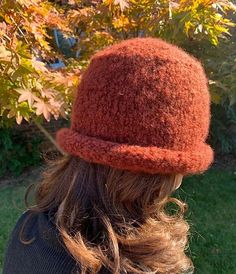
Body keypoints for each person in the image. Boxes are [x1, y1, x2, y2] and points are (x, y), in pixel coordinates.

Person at [3, 37, 213, 274]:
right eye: (180, 169)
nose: (180, 180)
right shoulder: (126, 267)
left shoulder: (29, 228)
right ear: (155, 173)